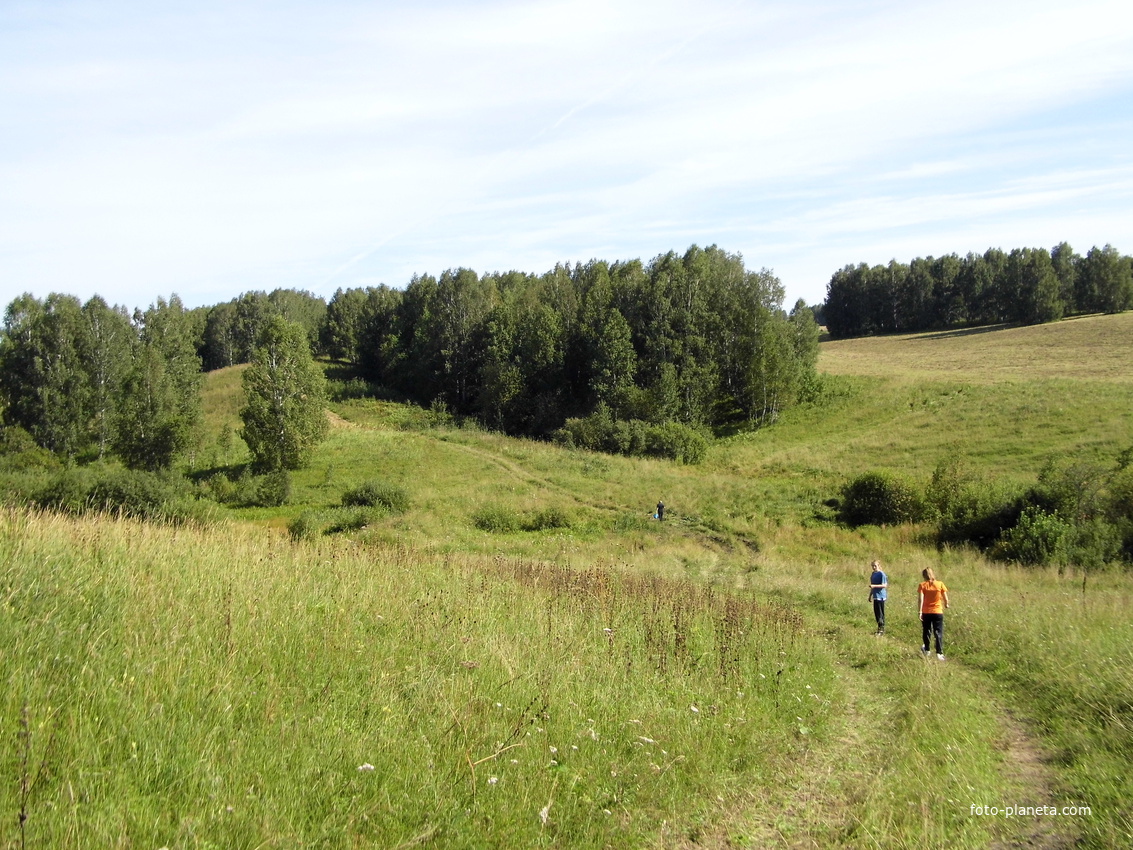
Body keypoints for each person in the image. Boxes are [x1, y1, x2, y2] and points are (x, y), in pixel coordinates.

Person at [918, 567, 950, 660]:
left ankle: (927, 650)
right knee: (938, 632)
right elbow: (945, 597)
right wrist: (946, 604)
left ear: (924, 576)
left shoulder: (922, 585)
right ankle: (939, 653)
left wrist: (919, 611)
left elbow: (921, 599)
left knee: (926, 631)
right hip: (937, 611)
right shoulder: (940, 584)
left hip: (926, 612)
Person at [868, 560, 887, 635]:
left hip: (881, 596)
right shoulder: (873, 574)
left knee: (880, 613)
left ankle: (881, 630)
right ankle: (879, 628)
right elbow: (872, 586)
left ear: (879, 565)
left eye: (875, 566)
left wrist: (874, 586)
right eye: (872, 566)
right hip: (875, 596)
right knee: (876, 613)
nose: (873, 567)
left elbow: (884, 585)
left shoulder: (882, 574)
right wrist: (870, 595)